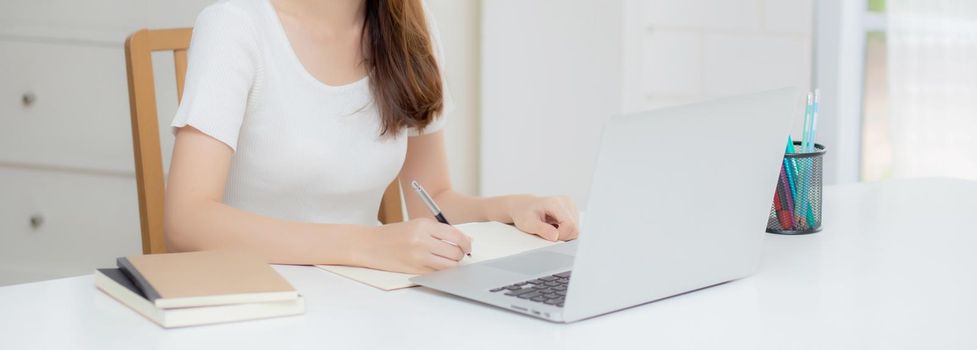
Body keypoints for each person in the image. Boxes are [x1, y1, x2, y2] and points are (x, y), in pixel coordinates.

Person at [165, 0, 579, 274]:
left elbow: (432, 199)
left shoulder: (409, 30)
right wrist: (365, 245)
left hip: (367, 294)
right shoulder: (236, 25)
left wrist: (512, 209)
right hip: (256, 295)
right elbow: (188, 220)